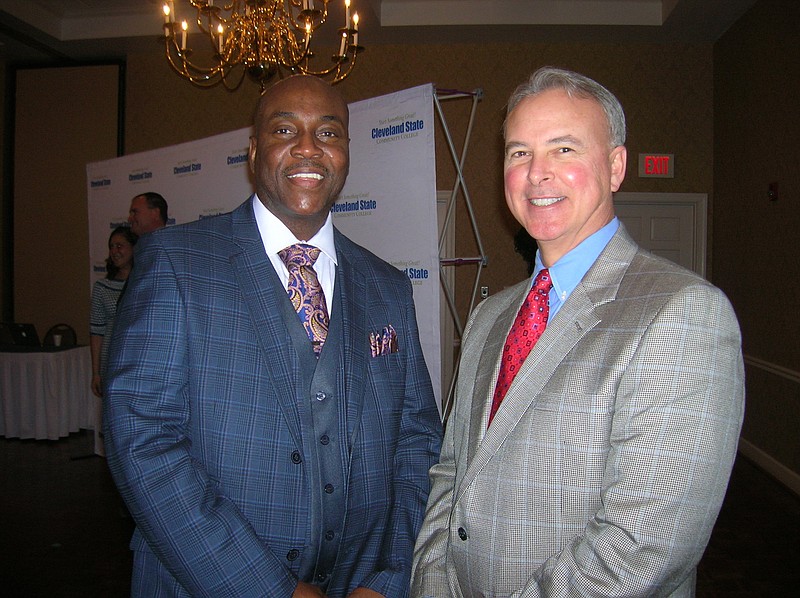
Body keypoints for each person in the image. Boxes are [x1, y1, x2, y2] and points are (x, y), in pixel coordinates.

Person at [104, 75, 442, 598]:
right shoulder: (176, 263)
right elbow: (143, 440)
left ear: (347, 151)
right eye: (285, 129)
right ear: (255, 148)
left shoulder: (388, 287)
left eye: (328, 133)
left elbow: (417, 443)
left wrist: (388, 577)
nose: (308, 147)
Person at [411, 67, 745, 597]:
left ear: (615, 166)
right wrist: (432, 583)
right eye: (519, 152)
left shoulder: (683, 314)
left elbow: (640, 550)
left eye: (563, 149)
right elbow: (451, 474)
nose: (537, 173)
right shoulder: (490, 317)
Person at [89, 225, 138, 398]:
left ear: (133, 248)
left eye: (120, 246)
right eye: (111, 246)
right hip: (111, 361)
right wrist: (96, 372)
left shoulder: (143, 283)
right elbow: (97, 331)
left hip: (136, 360)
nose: (114, 251)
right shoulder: (102, 287)